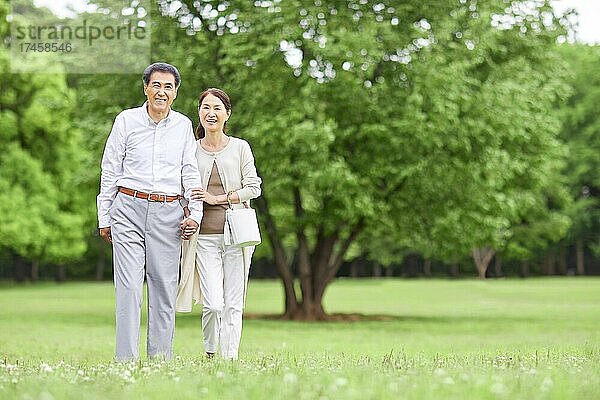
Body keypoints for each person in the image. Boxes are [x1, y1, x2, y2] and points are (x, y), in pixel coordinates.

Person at [97, 62, 202, 361]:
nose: (161, 92)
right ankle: (126, 361)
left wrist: (194, 213)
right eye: (156, 85)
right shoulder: (126, 121)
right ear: (146, 88)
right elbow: (110, 168)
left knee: (164, 289)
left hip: (169, 213)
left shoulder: (182, 126)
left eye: (168, 87)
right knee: (129, 288)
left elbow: (190, 172)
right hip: (127, 208)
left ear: (175, 93)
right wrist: (104, 217)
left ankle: (160, 361)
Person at [176, 88, 261, 360]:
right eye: (205, 108)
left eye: (217, 108)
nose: (211, 113)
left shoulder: (240, 147)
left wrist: (219, 198)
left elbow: (254, 187)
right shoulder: (190, 149)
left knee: (234, 303)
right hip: (205, 239)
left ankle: (230, 358)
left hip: (237, 237)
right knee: (213, 304)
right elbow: (181, 190)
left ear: (227, 114)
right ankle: (211, 351)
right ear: (199, 113)